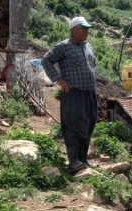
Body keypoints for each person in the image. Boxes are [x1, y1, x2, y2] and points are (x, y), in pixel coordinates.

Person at [42, 16, 99, 174]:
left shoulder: (88, 47)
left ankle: (83, 159)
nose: (87, 31)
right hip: (73, 93)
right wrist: (58, 79)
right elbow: (46, 60)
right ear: (74, 30)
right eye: (84, 28)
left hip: (89, 92)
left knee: (88, 124)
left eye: (88, 28)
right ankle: (73, 162)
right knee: (74, 125)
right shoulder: (63, 46)